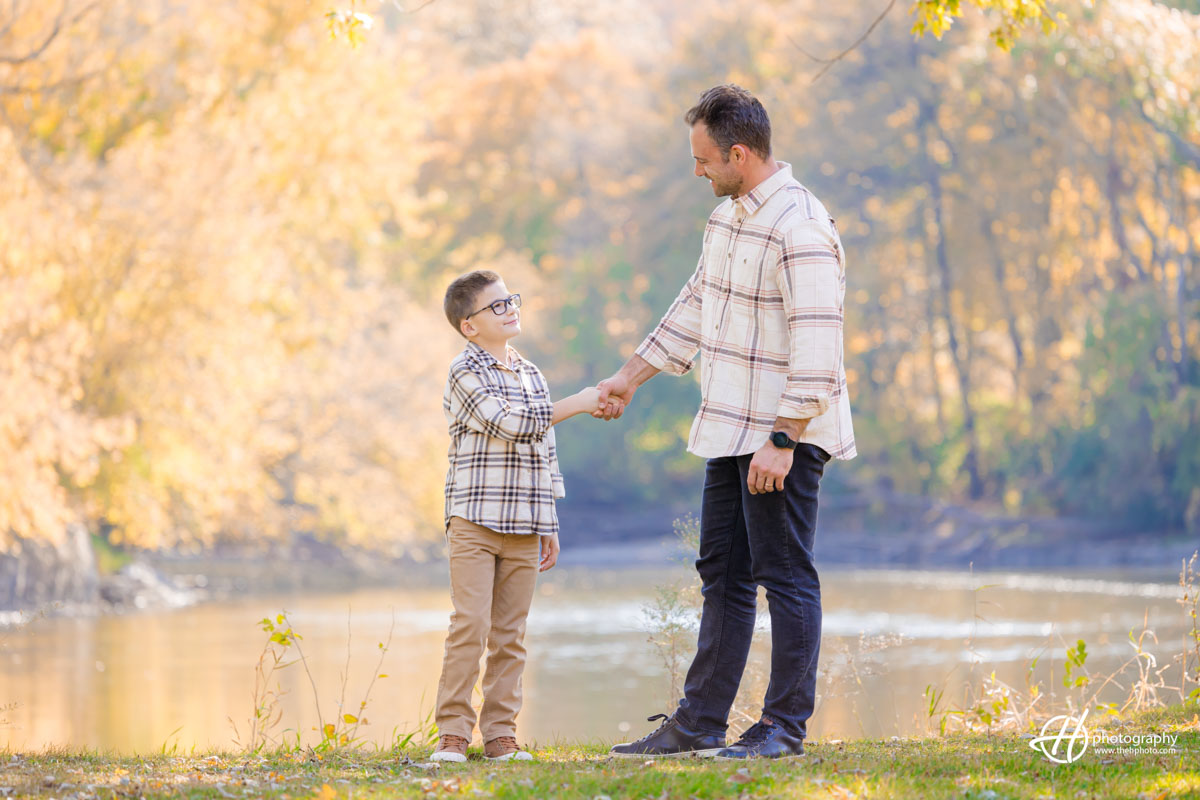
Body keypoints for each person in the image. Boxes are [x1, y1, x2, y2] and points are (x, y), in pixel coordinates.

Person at [599, 85, 856, 760]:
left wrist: (784, 437)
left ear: (739, 154)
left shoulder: (799, 226)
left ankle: (781, 729)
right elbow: (694, 305)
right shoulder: (730, 219)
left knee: (786, 574)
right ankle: (699, 722)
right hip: (730, 426)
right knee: (723, 573)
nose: (697, 172)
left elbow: (819, 344)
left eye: (704, 159)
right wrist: (630, 374)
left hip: (780, 434)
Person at [432, 269, 601, 762]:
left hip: (526, 525)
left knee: (511, 635)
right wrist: (580, 403)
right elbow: (510, 425)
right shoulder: (465, 372)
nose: (511, 310)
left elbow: (544, 452)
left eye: (512, 301)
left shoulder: (531, 373)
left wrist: (548, 522)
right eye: (497, 306)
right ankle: (453, 736)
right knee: (470, 625)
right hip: (475, 521)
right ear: (470, 325)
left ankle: (501, 735)